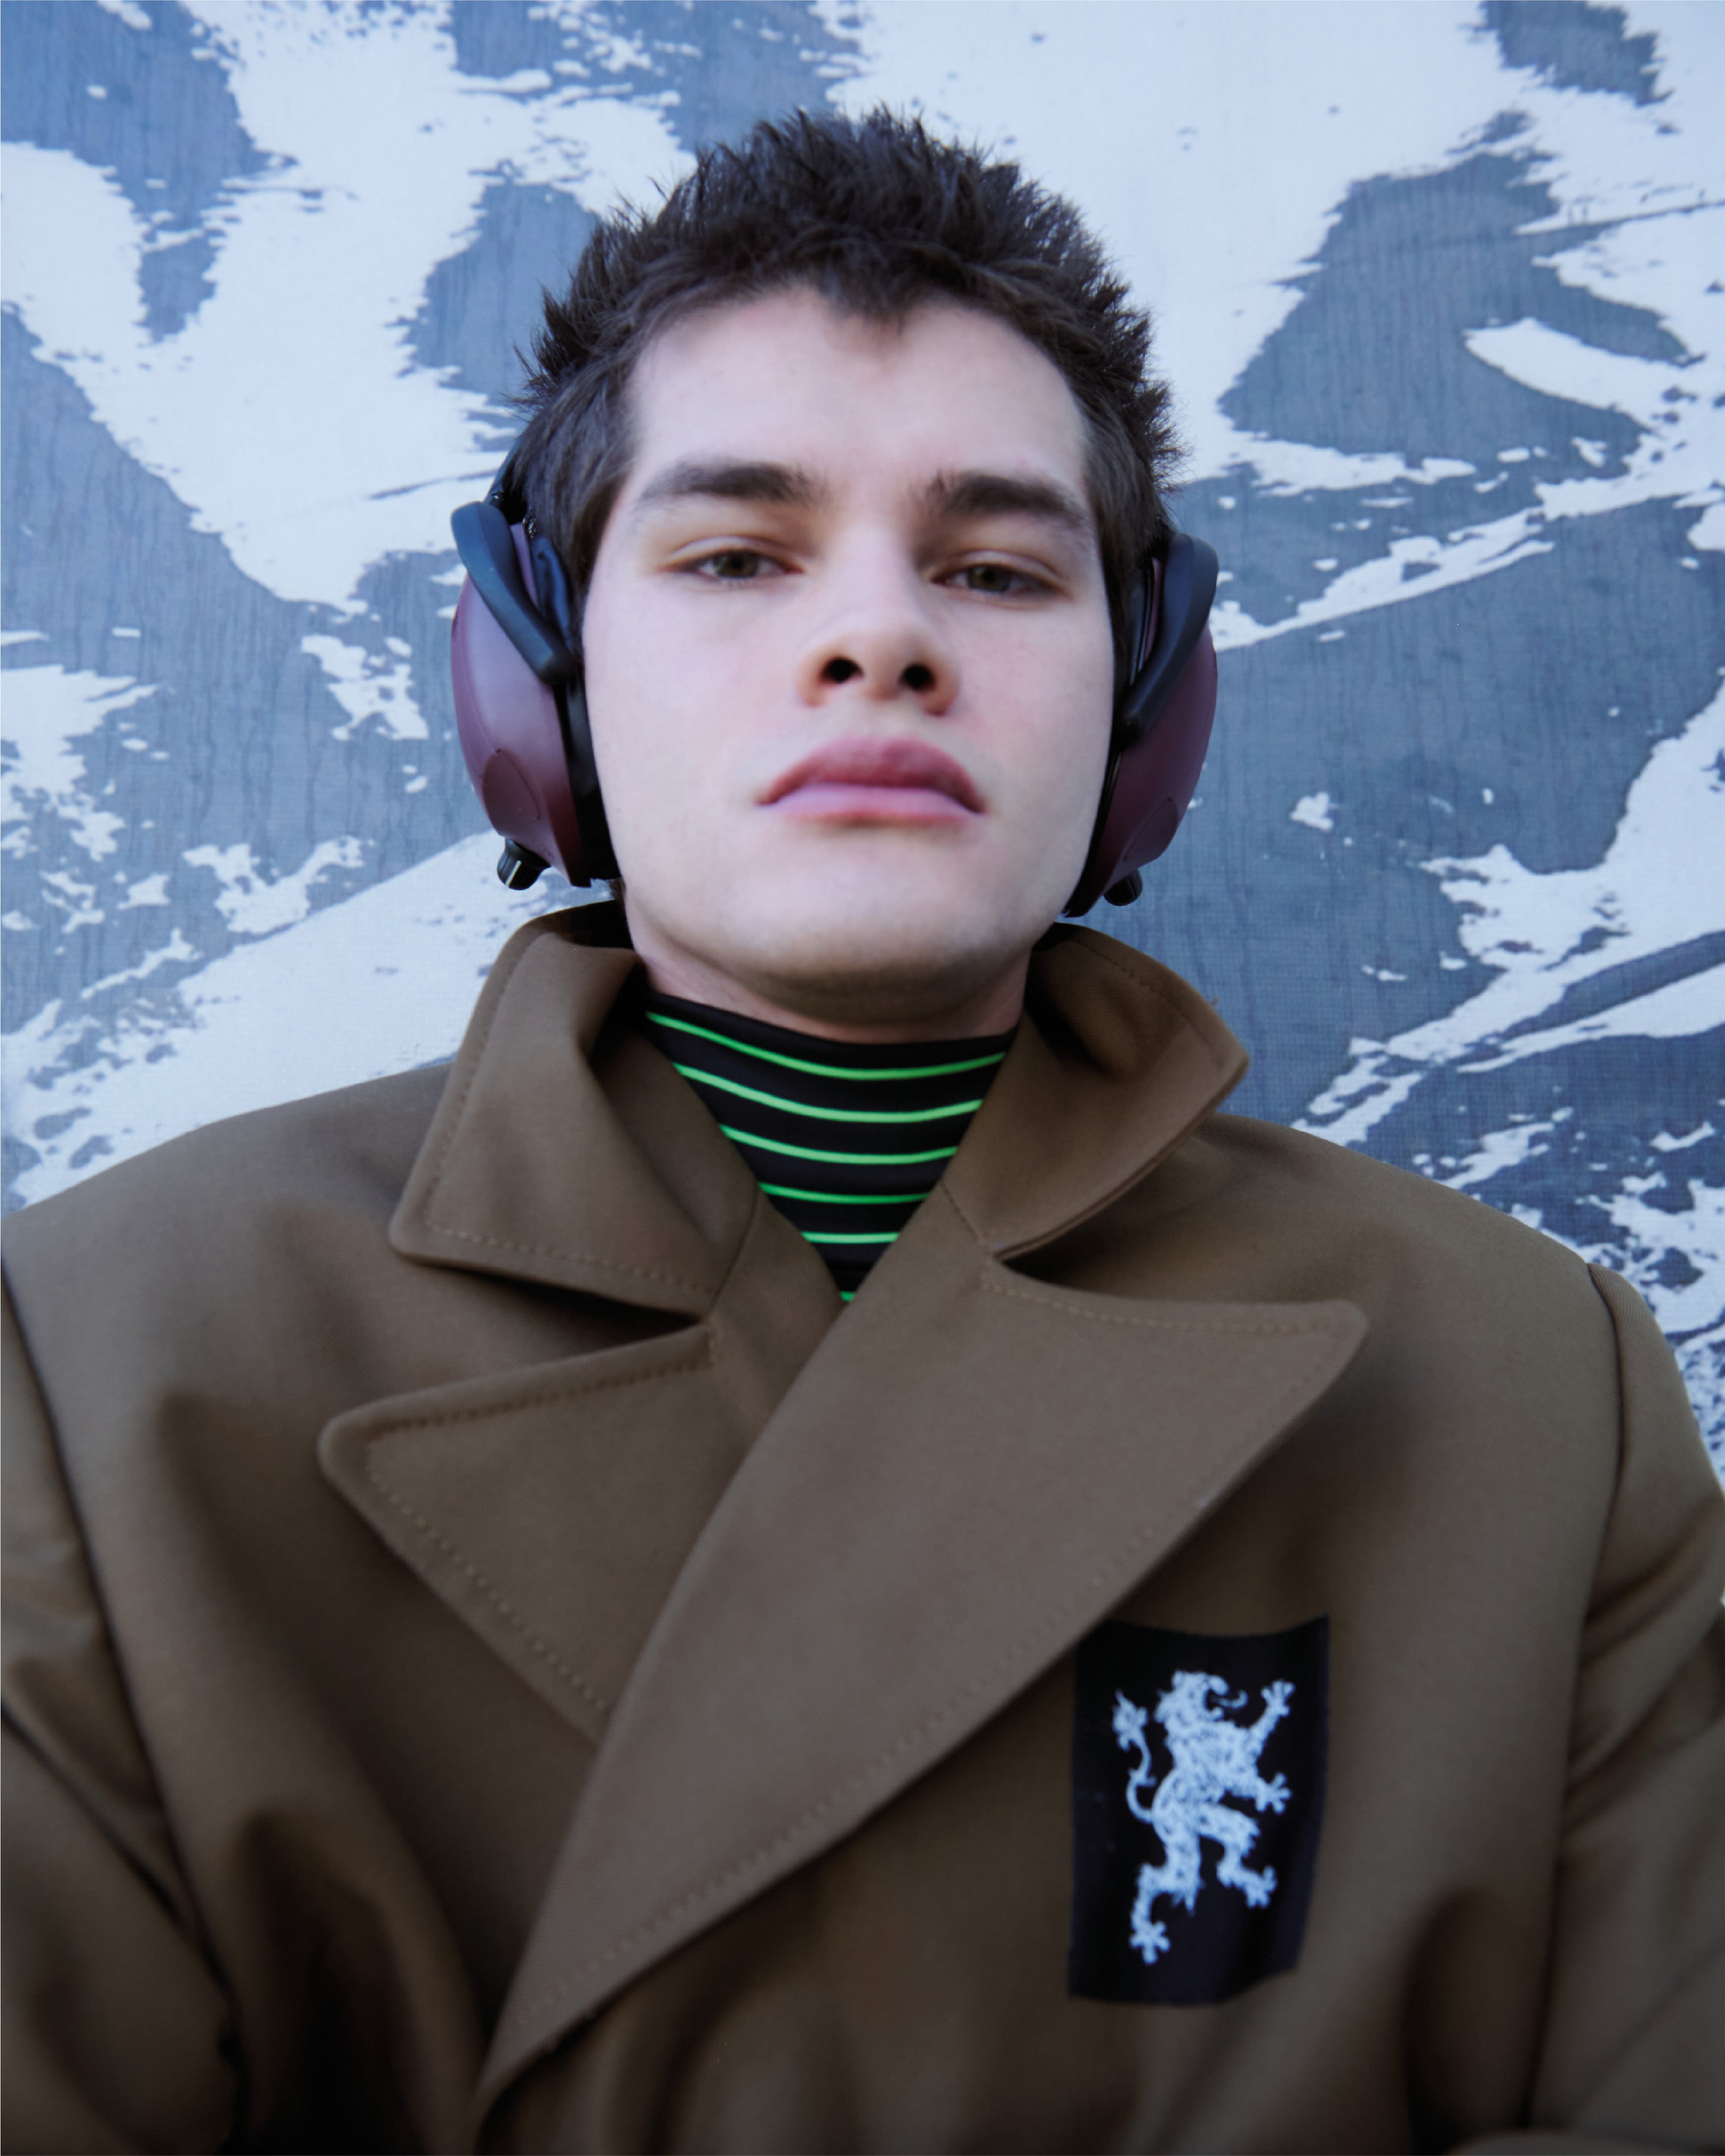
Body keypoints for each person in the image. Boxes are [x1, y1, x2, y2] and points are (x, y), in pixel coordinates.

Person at [3, 110, 1720, 2156]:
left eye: (994, 568)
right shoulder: (96, 1359)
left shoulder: (1528, 1384)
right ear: (535, 675)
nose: (878, 637)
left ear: (1146, 701)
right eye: (737, 555)